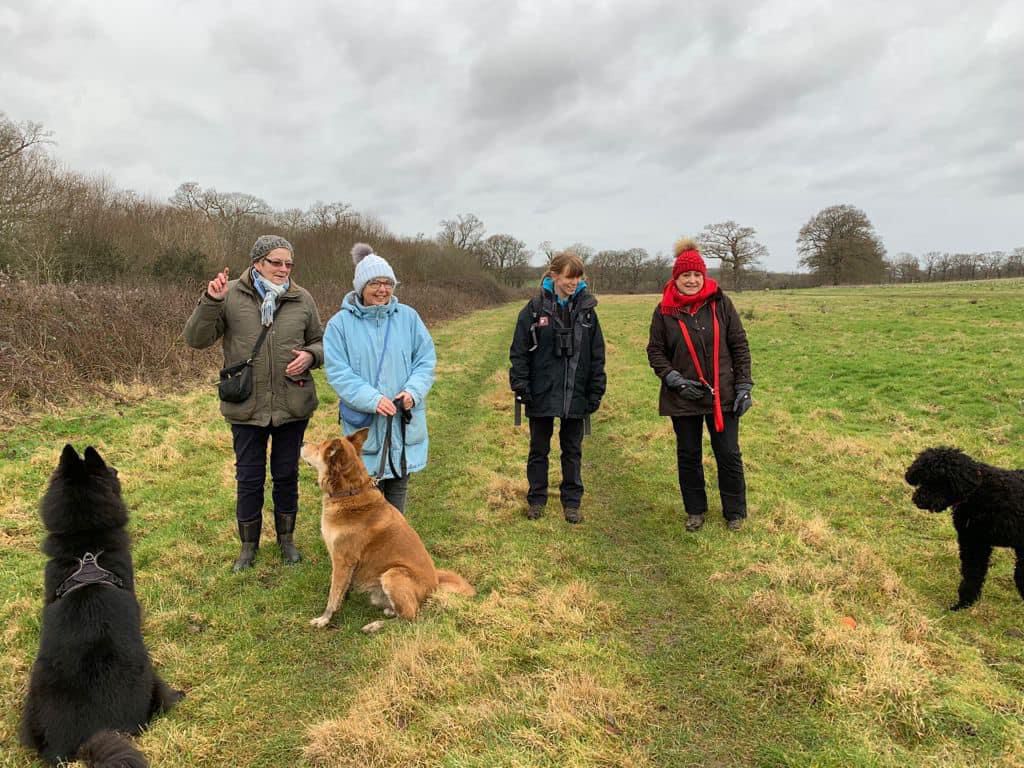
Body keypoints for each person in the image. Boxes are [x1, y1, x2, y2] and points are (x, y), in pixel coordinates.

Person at [184, 235, 323, 571]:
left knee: (286, 475)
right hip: (247, 405)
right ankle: (248, 547)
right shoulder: (228, 294)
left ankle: (286, 541)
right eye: (276, 262)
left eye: (288, 263)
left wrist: (311, 356)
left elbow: (320, 341)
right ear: (257, 262)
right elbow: (196, 339)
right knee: (249, 478)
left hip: (292, 403)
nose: (284, 269)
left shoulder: (302, 298)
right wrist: (209, 302)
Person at [646, 237, 753, 532]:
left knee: (728, 453)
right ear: (676, 278)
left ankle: (734, 512)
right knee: (689, 454)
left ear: (703, 275)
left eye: (696, 275)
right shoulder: (664, 310)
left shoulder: (721, 303)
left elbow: (739, 344)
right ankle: (695, 510)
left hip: (724, 394)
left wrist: (744, 384)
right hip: (684, 396)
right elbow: (655, 351)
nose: (691, 280)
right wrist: (674, 380)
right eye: (685, 275)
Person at [323, 243, 436, 514]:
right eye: (375, 283)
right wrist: (372, 399)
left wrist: (413, 392)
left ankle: (395, 541)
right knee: (364, 488)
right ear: (361, 287)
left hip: (402, 421)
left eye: (388, 283)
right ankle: (366, 546)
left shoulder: (409, 318)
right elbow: (338, 372)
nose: (383, 289)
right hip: (365, 423)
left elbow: (425, 360)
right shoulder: (339, 324)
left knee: (399, 481)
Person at [509, 251, 606, 524]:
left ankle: (572, 502)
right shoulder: (534, 309)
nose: (573, 282)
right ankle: (536, 499)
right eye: (568, 277)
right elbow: (519, 352)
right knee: (539, 449)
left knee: (572, 450)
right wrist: (521, 385)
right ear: (553, 276)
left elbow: (597, 354)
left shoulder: (588, 312)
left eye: (578, 277)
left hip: (575, 392)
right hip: (541, 392)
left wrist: (596, 390)